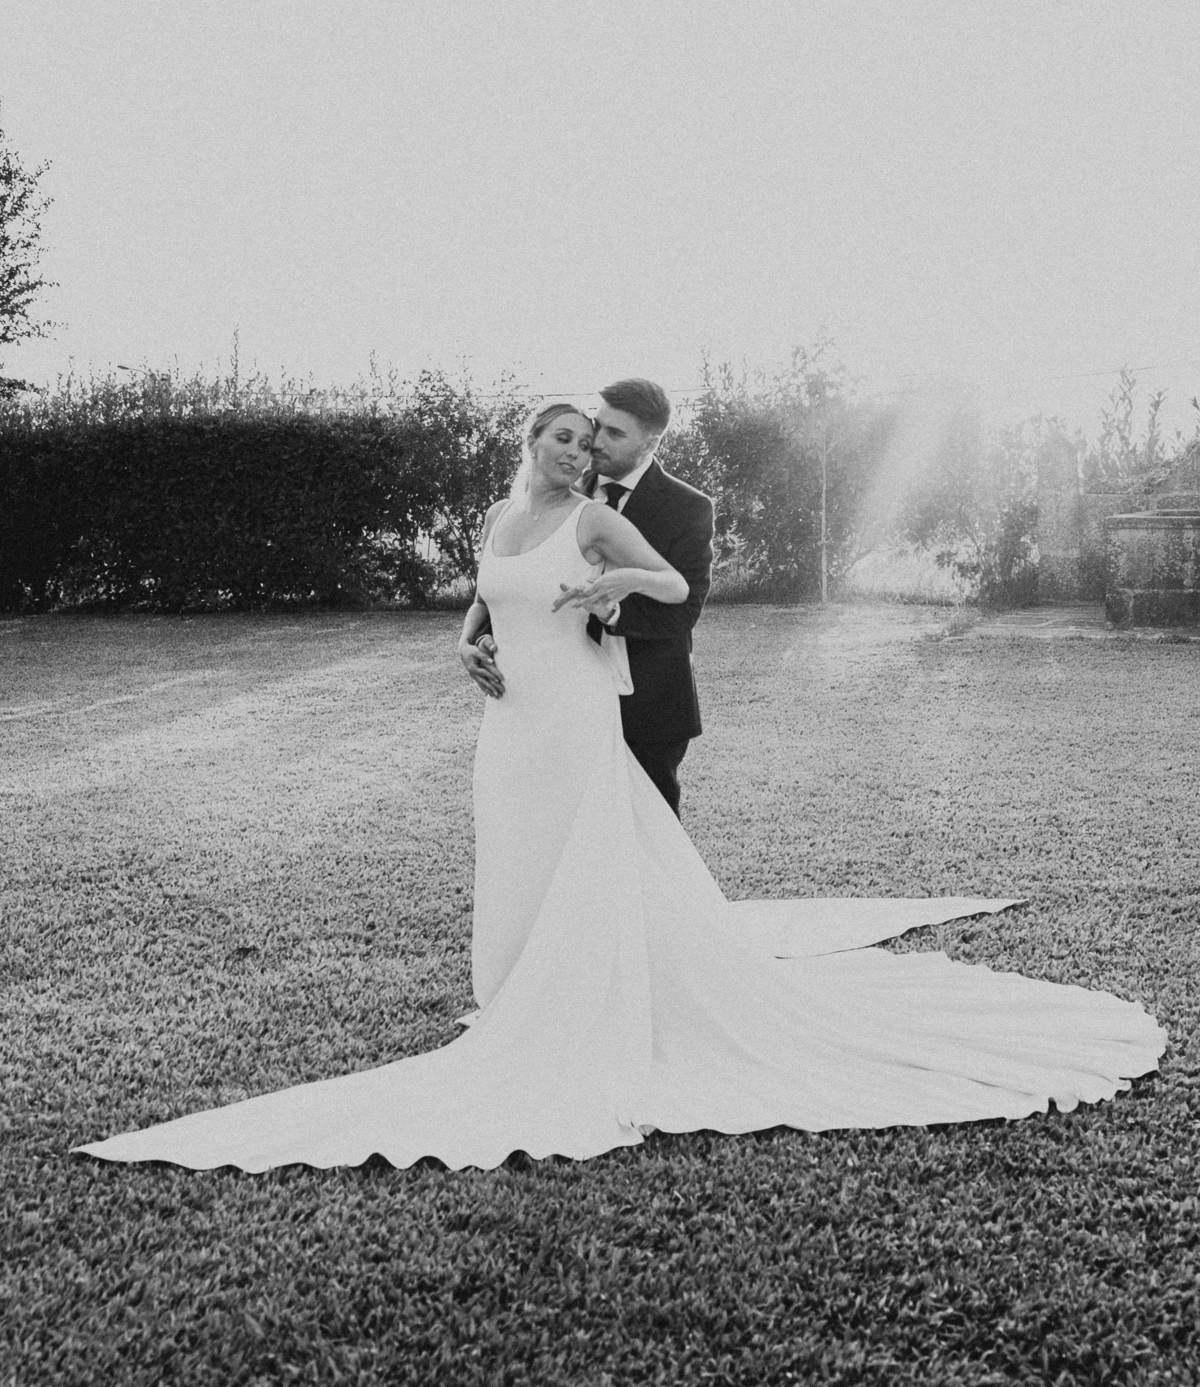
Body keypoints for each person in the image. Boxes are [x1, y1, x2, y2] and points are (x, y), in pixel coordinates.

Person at [76, 401, 1165, 1174]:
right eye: (557, 437)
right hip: (510, 721)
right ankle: (514, 994)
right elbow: (489, 598)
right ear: (529, 445)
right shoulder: (497, 520)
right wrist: (463, 642)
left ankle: (591, 1000)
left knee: (590, 850)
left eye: (583, 440)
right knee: (517, 850)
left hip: (575, 714)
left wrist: (613, 585)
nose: (572, 450)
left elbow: (676, 581)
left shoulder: (594, 518)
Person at [584, 379, 713, 817]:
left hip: (650, 702)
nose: (597, 441)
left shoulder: (688, 507)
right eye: (596, 425)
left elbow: (685, 610)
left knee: (651, 828)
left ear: (651, 442)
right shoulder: (566, 493)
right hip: (569, 694)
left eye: (615, 433)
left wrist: (613, 614)